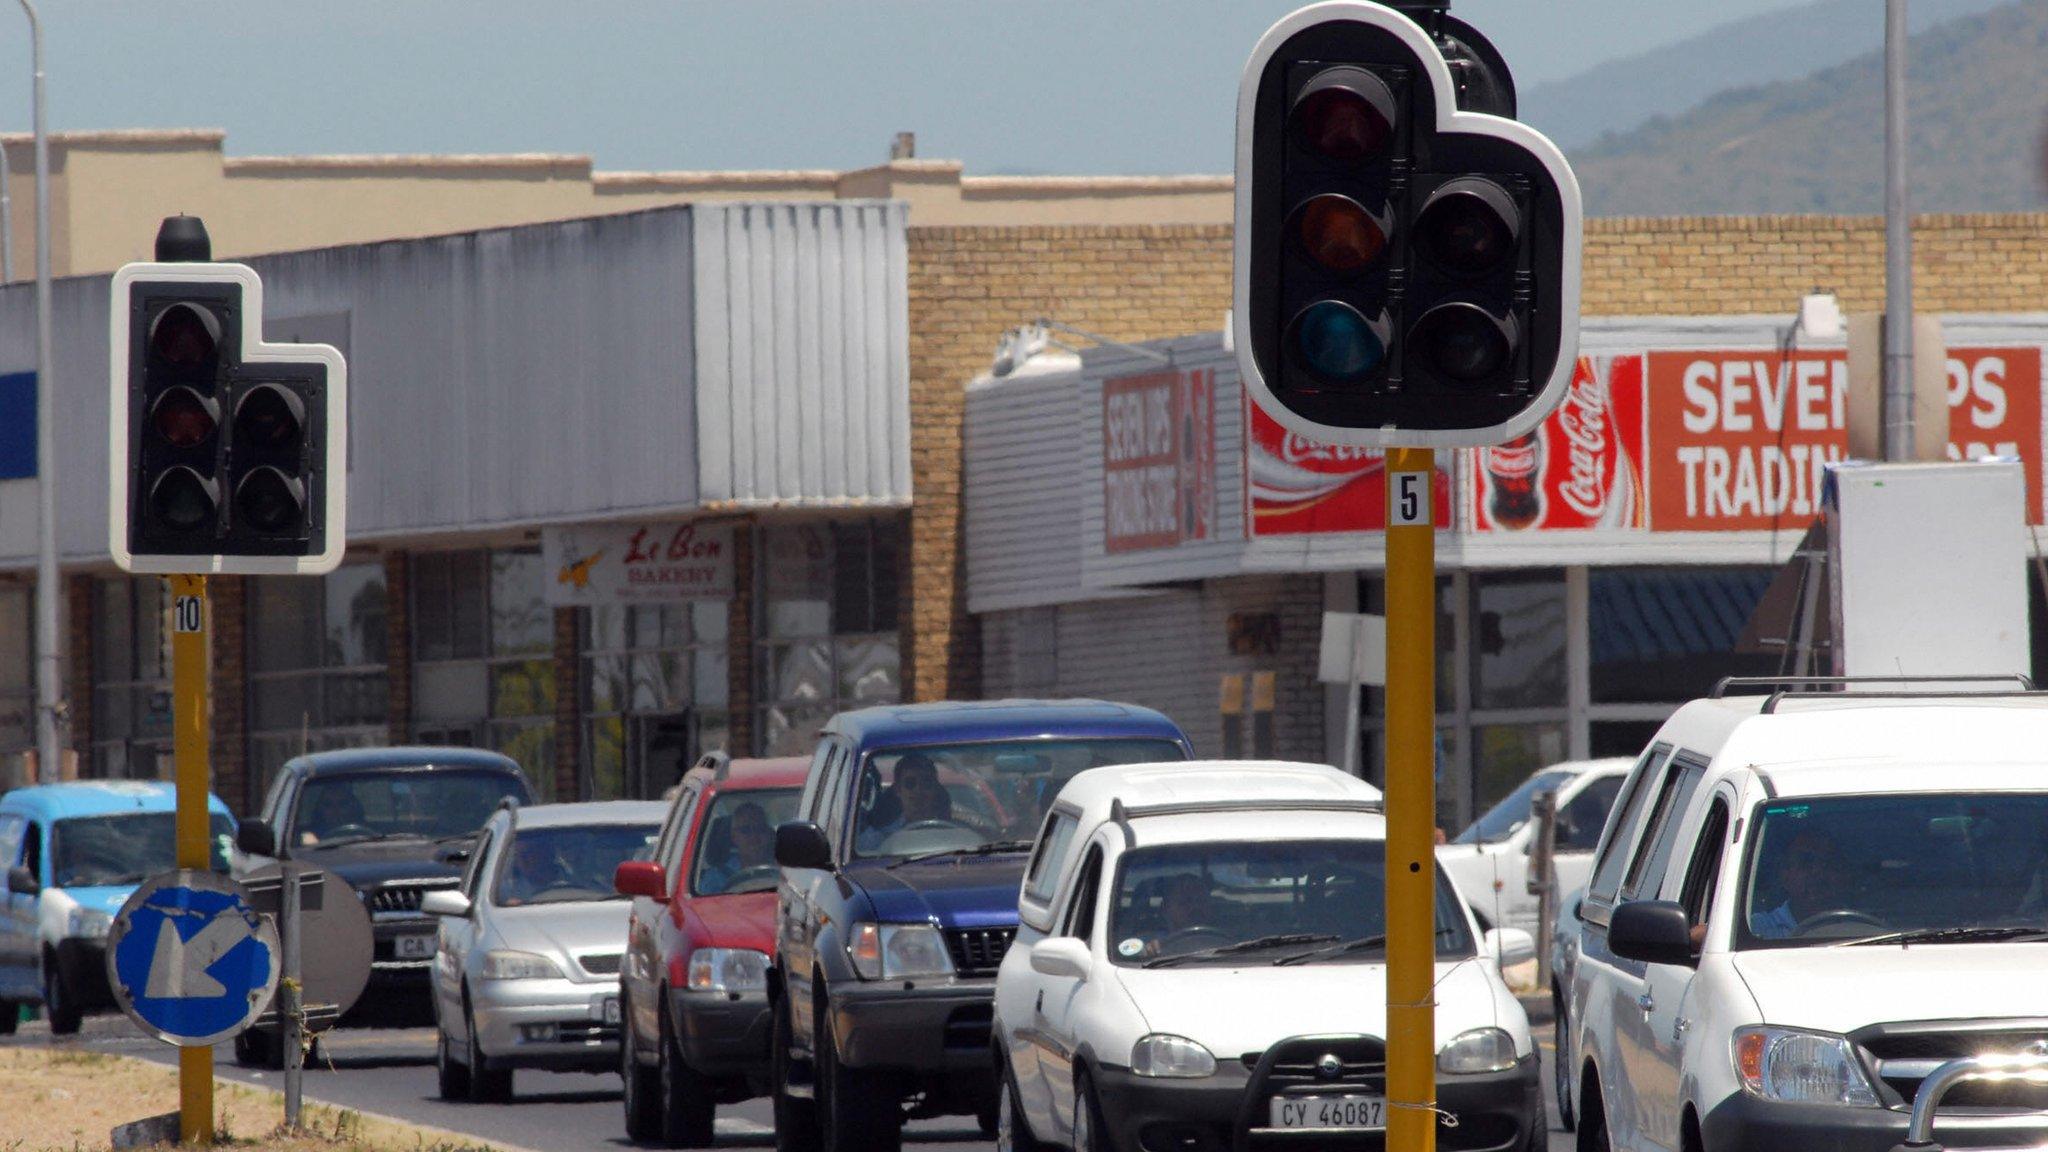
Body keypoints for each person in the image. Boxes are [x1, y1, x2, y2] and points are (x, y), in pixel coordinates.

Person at [1751, 829, 1848, 938]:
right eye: (1805, 862)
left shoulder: (1863, 929)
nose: (1817, 871)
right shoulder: (1757, 929)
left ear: (1842, 876)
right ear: (1785, 876)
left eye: (1827, 863)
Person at [858, 753, 953, 851]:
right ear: (898, 790)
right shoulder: (881, 840)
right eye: (910, 783)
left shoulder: (957, 834)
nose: (918, 790)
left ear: (935, 789)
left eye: (926, 783)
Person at [699, 803, 776, 893]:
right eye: (745, 830)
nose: (754, 837)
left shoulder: (785, 872)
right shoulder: (715, 878)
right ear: (734, 837)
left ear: (769, 834)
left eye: (760, 829)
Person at [1140, 874, 1218, 958]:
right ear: (1166, 908)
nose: (1195, 907)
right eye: (1185, 902)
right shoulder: (1147, 944)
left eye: (1201, 901)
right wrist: (1147, 954)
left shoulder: (1231, 943)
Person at [298, 787, 367, 846]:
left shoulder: (370, 833)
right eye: (328, 805)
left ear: (352, 807)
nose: (335, 810)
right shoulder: (310, 836)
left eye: (342, 804)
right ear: (320, 809)